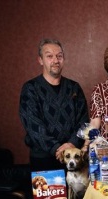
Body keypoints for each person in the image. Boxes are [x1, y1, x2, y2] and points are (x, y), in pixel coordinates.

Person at [19, 38, 89, 172]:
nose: (55, 60)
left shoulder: (74, 87)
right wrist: (57, 148)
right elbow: (33, 125)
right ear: (40, 60)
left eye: (59, 56)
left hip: (73, 158)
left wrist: (72, 143)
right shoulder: (31, 89)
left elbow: (84, 122)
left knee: (75, 194)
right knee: (49, 193)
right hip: (43, 159)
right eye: (49, 56)